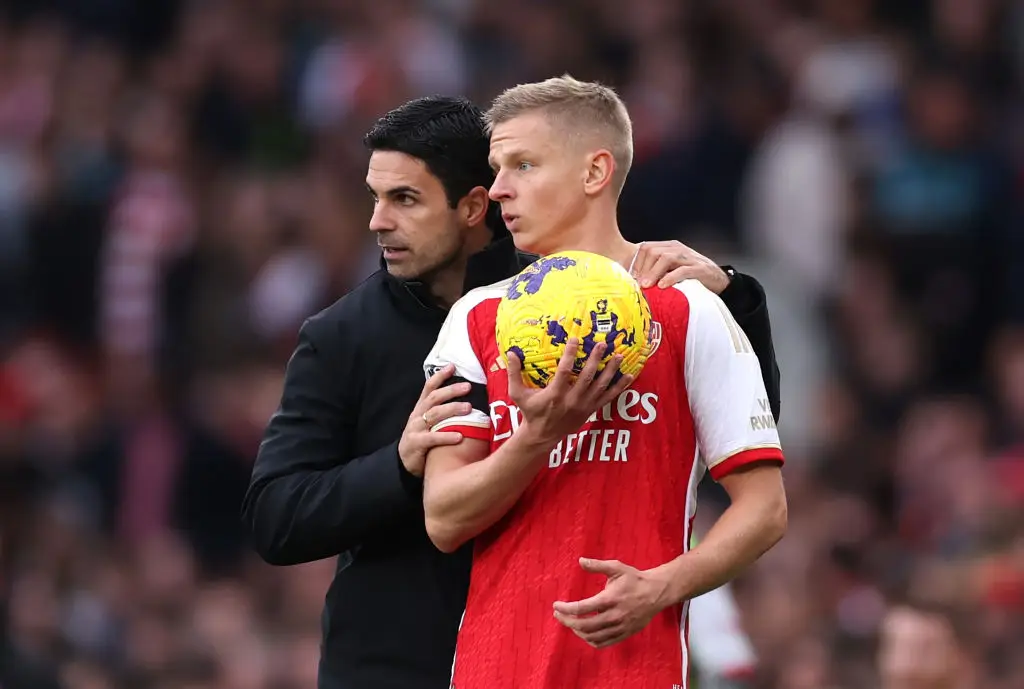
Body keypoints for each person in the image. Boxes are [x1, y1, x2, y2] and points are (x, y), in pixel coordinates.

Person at [242, 96, 782, 689]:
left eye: (404, 199)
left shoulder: (606, 306)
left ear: (471, 207)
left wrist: (734, 298)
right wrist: (400, 464)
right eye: (376, 198)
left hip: (596, 653)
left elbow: (737, 440)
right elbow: (280, 515)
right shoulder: (359, 335)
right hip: (396, 662)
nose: (377, 221)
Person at [421, 76, 788, 689]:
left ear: (595, 173)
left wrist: (662, 587)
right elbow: (444, 517)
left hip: (632, 670)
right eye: (497, 167)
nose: (499, 189)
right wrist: (536, 438)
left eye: (524, 164)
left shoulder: (687, 308)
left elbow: (766, 509)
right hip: (494, 670)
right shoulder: (476, 317)